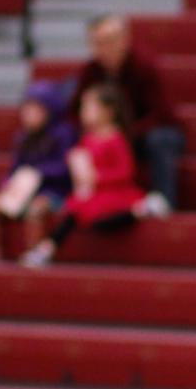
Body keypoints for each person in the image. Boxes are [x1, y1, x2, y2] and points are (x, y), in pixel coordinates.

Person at [21, 84, 145, 268]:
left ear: (108, 111)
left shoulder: (115, 138)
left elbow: (126, 171)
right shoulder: (87, 139)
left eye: (90, 107)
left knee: (97, 220)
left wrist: (98, 177)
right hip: (93, 194)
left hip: (114, 193)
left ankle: (139, 210)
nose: (84, 112)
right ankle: (47, 248)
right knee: (74, 214)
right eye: (83, 107)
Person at [72, 13, 183, 216]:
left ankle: (165, 204)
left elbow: (161, 113)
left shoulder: (143, 67)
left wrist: (125, 133)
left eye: (109, 40)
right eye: (98, 42)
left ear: (124, 39)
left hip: (142, 132)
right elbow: (73, 110)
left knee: (161, 140)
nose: (104, 48)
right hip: (110, 136)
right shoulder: (90, 72)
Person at [0, 80, 76, 264]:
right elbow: (14, 169)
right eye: (27, 109)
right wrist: (7, 186)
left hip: (53, 191)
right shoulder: (24, 137)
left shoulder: (63, 133)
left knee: (35, 210)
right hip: (22, 193)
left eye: (35, 110)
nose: (29, 115)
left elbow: (65, 168)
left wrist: (38, 173)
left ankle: (34, 254)